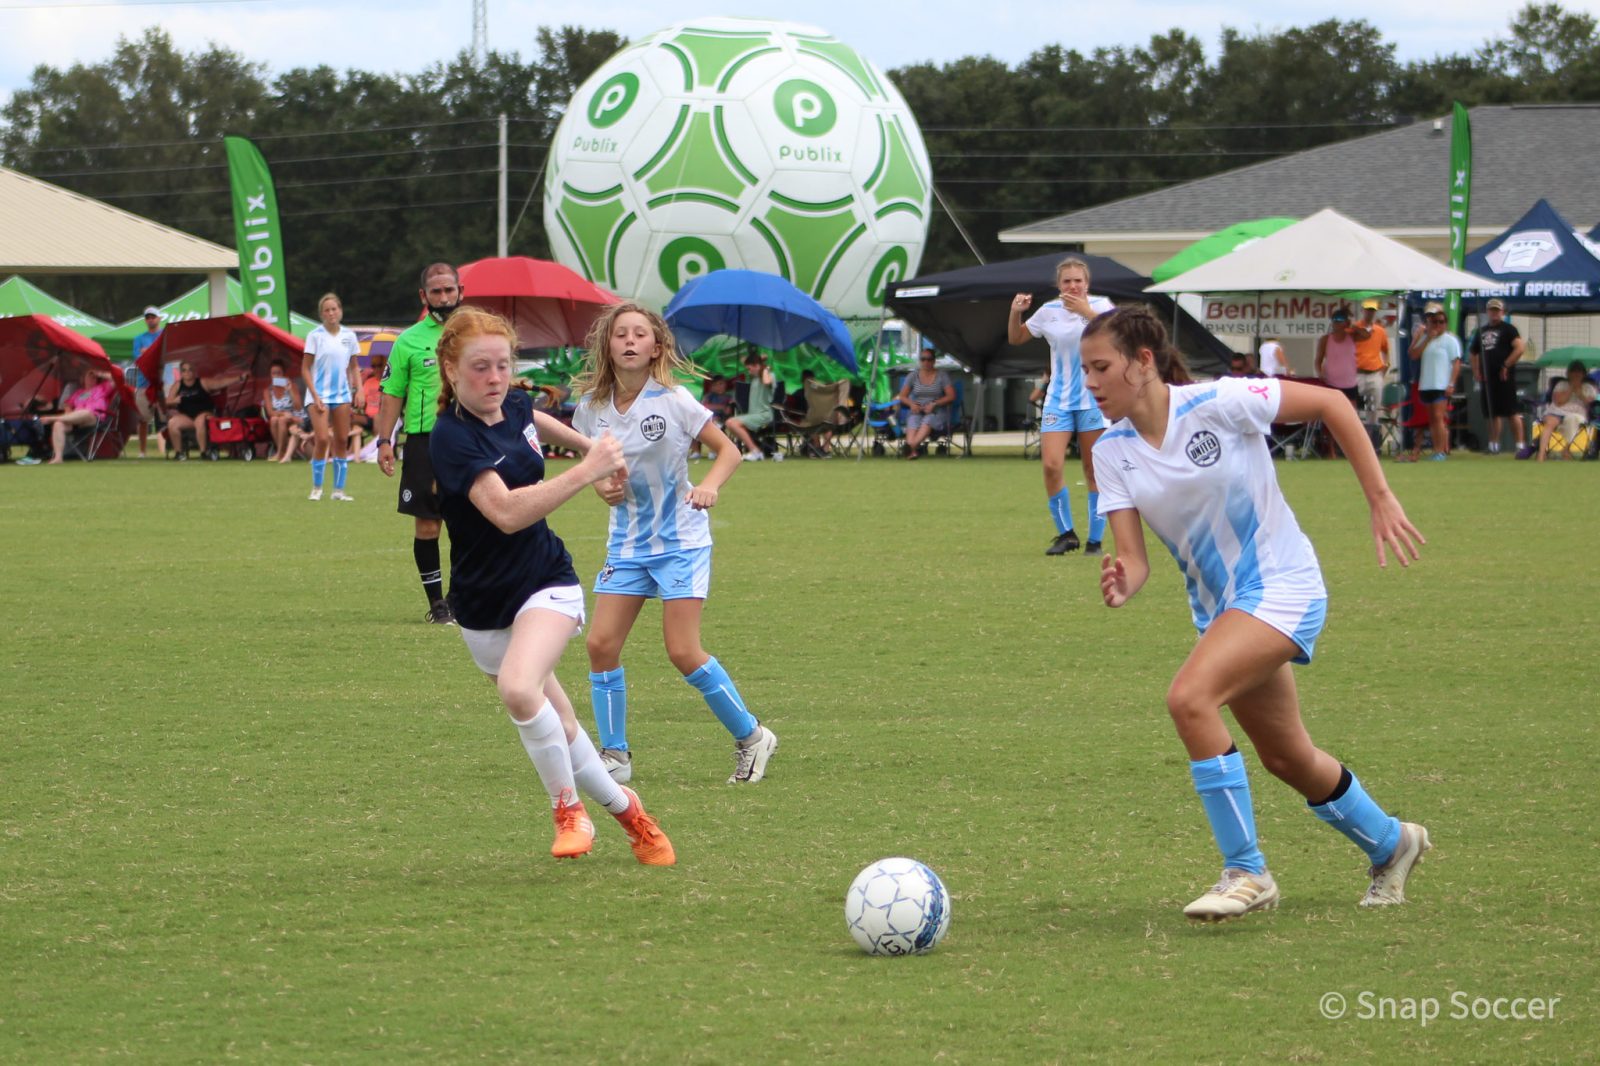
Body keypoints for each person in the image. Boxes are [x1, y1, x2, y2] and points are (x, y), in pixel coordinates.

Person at [1082, 304, 1430, 921]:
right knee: (1286, 757)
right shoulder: (1110, 452)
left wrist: (1380, 496)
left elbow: (1333, 405)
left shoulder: (1220, 401)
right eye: (1084, 370)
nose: (1089, 382)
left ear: (1143, 362)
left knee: (1189, 699)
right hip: (1223, 614)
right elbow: (1135, 561)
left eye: (1100, 366)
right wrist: (1121, 583)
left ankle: (1246, 870)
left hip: (1282, 586)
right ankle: (1392, 843)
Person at [429, 306, 675, 865]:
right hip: (481, 605)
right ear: (450, 370)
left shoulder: (511, 401)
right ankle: (632, 814)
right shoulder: (448, 439)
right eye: (480, 368)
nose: (496, 380)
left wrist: (588, 447)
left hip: (546, 581)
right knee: (560, 724)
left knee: (519, 689)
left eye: (503, 365)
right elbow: (507, 512)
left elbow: (531, 418)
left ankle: (568, 810)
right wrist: (587, 470)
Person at [571, 301, 778, 786]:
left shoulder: (675, 400)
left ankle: (752, 737)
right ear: (607, 345)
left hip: (680, 542)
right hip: (626, 544)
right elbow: (591, 471)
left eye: (639, 334)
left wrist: (710, 486)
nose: (628, 341)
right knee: (600, 645)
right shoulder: (591, 410)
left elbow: (728, 451)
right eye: (620, 333)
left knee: (683, 652)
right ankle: (615, 756)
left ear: (656, 346)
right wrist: (601, 487)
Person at [1007, 256, 1115, 556]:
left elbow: (1118, 336)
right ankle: (1066, 533)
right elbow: (1016, 338)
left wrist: (1087, 312)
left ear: (1087, 284)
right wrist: (1015, 313)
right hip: (1058, 399)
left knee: (1094, 470)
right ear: (1058, 285)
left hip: (1094, 397)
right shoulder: (1048, 311)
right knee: (1051, 464)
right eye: (1067, 281)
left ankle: (1095, 540)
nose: (1072, 286)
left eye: (1078, 281)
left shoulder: (1102, 306)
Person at [376, 263, 461, 624]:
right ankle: (437, 604)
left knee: (467, 525)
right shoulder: (407, 341)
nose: (444, 297)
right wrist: (384, 440)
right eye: (436, 291)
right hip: (424, 442)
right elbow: (392, 393)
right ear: (424, 296)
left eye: (449, 290)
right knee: (428, 526)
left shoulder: (477, 332)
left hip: (470, 441)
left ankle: (460, 599)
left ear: (460, 291)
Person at [302, 293, 362, 501]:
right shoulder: (315, 336)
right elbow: (305, 368)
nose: (331, 313)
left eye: (334, 309)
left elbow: (354, 367)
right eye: (326, 310)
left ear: (340, 311)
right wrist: (315, 395)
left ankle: (338, 490)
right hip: (318, 394)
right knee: (321, 438)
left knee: (342, 439)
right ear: (321, 314)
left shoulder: (349, 336)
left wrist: (359, 390)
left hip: (341, 394)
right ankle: (317, 487)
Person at [1469, 298, 1526, 454]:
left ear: (1502, 312)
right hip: (1488, 378)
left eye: (1497, 310)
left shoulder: (1509, 329)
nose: (1494, 313)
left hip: (1504, 377)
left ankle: (1520, 445)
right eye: (1491, 310)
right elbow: (1473, 352)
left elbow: (1519, 348)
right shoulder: (1481, 331)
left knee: (1511, 411)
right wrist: (1476, 371)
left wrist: (1506, 365)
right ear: (1487, 312)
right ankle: (1494, 445)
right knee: (1491, 413)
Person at [1407, 302, 1462, 462]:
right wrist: (1424, 338)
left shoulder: (1450, 340)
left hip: (1441, 384)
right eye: (1433, 321)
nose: (1437, 325)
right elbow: (1413, 354)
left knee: (1438, 417)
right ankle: (1437, 449)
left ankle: (1440, 450)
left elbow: (1456, 363)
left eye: (1441, 322)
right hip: (1427, 384)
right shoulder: (1426, 338)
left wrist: (1451, 383)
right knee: (1431, 418)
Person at [165, 361, 244, 460]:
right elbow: (167, 402)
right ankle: (179, 452)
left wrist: (239, 377)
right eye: (184, 370)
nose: (187, 372)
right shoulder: (177, 385)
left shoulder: (202, 382)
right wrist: (174, 401)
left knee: (200, 420)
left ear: (194, 372)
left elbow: (220, 383)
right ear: (181, 373)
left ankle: (203, 452)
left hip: (205, 414)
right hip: (187, 416)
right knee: (172, 422)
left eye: (190, 369)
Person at [36, 366, 116, 465]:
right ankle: (58, 458)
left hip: (94, 418)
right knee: (58, 424)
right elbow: (67, 404)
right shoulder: (78, 393)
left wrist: (99, 373)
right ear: (82, 379)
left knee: (86, 412)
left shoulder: (102, 388)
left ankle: (53, 417)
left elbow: (116, 379)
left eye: (94, 377)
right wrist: (68, 411)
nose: (93, 378)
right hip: (76, 419)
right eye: (90, 376)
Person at [895, 340, 955, 459]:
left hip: (936, 411)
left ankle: (909, 447)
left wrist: (934, 403)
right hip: (917, 409)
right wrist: (912, 404)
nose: (926, 362)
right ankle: (911, 452)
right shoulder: (913, 376)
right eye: (923, 359)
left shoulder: (942, 376)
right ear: (920, 361)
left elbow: (951, 396)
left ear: (934, 361)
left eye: (929, 359)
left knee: (928, 420)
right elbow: (902, 396)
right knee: (913, 421)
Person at [1531, 359, 1598, 462]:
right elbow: (1558, 401)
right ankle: (1541, 453)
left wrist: (1579, 392)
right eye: (1573, 371)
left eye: (1579, 371)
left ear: (1584, 374)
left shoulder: (1589, 387)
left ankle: (1566, 449)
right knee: (1550, 423)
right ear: (1568, 373)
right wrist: (1571, 388)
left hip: (1577, 414)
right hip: (1557, 411)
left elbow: (1591, 404)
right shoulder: (1561, 384)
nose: (1576, 374)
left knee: (1573, 419)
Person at [128, 306, 165, 458]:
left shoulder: (165, 335)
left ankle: (165, 451)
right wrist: (152, 352)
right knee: (142, 419)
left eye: (153, 317)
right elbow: (139, 359)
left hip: (163, 382)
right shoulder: (138, 338)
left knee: (164, 418)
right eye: (148, 317)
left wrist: (147, 351)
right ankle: (142, 451)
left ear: (159, 318)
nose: (150, 320)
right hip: (143, 383)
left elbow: (164, 354)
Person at [724, 351, 775, 461]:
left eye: (750, 368)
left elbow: (766, 382)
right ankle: (753, 450)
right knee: (730, 423)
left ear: (757, 366)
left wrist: (765, 368)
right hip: (754, 415)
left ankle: (755, 451)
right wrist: (760, 359)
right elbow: (743, 359)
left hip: (764, 415)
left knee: (731, 422)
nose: (748, 371)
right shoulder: (755, 378)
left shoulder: (769, 375)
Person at [1351, 300, 1391, 428]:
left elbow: (1385, 350)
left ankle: (1372, 440)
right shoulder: (1355, 328)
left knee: (1372, 410)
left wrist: (1386, 366)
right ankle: (1356, 438)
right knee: (1354, 408)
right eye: (1368, 310)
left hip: (1374, 374)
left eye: (1372, 310)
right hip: (1357, 374)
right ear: (1363, 311)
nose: (1370, 313)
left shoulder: (1380, 331)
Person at [1314, 308, 1361, 411]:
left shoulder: (1353, 337)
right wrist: (1320, 373)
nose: (1336, 322)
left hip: (1350, 384)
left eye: (1340, 320)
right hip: (1331, 383)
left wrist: (1352, 325)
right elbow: (1318, 360)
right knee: (1332, 412)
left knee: (1351, 414)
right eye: (1334, 319)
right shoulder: (1325, 339)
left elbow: (1366, 335)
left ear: (1346, 322)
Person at [262, 357, 303, 462]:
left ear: (284, 374)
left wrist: (290, 391)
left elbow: (298, 407)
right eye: (273, 373)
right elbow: (270, 412)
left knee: (280, 420)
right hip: (282, 417)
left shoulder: (291, 386)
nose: (276, 376)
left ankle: (280, 453)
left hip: (295, 416)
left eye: (279, 373)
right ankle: (282, 452)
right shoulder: (268, 391)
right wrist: (283, 414)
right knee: (275, 419)